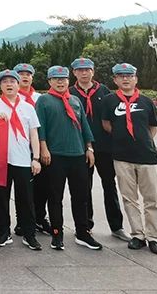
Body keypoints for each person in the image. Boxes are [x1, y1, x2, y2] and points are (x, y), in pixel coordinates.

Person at [36, 66, 101, 251]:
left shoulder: (74, 100)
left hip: (78, 155)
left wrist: (89, 148)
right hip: (55, 156)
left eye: (63, 79)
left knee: (81, 196)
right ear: (49, 81)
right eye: (56, 79)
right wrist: (43, 149)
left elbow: (84, 125)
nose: (60, 82)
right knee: (55, 197)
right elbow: (40, 127)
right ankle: (57, 234)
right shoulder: (44, 100)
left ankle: (82, 233)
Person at [101, 63, 157, 255]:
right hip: (121, 157)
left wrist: (142, 142)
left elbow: (152, 128)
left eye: (129, 76)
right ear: (115, 80)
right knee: (129, 198)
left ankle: (154, 237)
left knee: (152, 199)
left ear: (136, 79)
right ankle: (137, 235)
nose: (125, 79)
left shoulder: (146, 102)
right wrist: (123, 139)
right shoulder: (109, 101)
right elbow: (106, 124)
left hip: (146, 156)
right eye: (121, 76)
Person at [69, 57, 128, 242]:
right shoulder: (69, 93)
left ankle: (117, 226)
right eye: (80, 70)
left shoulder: (104, 92)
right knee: (83, 187)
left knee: (109, 185)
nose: (84, 73)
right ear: (74, 73)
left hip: (104, 146)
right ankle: (86, 225)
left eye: (87, 70)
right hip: (80, 148)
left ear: (93, 71)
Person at [0, 70, 43, 250]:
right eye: (5, 82)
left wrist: (36, 158)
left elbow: (34, 134)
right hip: (1, 160)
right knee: (1, 199)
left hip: (23, 160)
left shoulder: (28, 107)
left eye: (12, 81)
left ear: (18, 85)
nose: (9, 84)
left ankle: (29, 234)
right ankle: (3, 232)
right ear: (0, 86)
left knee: (26, 199)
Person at [14, 62, 48, 236]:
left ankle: (40, 218)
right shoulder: (12, 98)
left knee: (42, 186)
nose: (24, 77)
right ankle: (22, 221)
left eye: (28, 74)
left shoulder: (40, 98)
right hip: (19, 148)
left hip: (39, 146)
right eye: (21, 74)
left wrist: (42, 147)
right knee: (22, 189)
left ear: (32, 77)